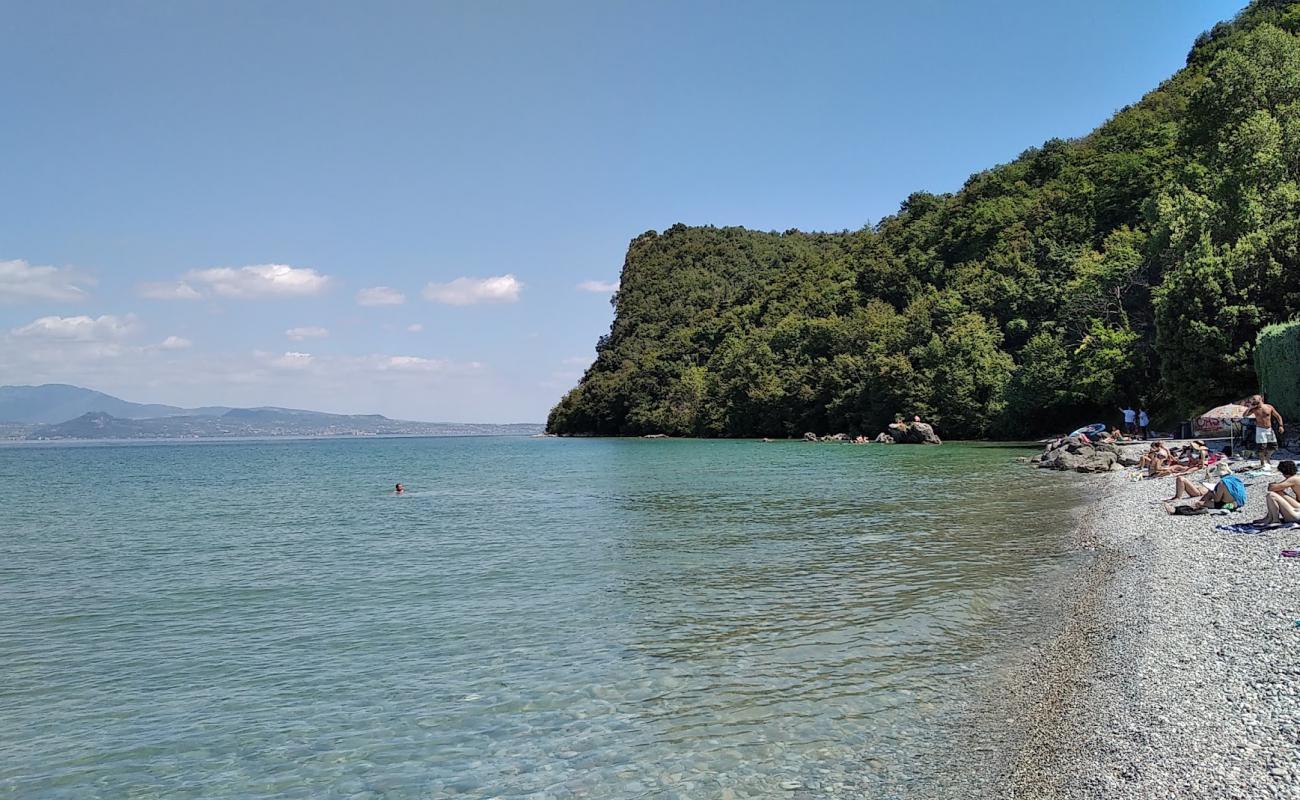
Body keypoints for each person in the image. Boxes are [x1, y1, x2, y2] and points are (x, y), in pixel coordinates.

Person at [1163, 461, 1246, 515]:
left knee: (1202, 503)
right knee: (1209, 494)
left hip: (1230, 505)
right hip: (1239, 503)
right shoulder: (1236, 479)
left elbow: (1217, 500)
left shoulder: (1222, 483)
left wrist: (1213, 493)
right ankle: (1196, 504)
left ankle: (1176, 510)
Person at [1252, 460, 1300, 525]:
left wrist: (1272, 485)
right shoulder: (1296, 478)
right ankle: (1269, 517)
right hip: (1298, 507)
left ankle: (1275, 520)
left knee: (1272, 495)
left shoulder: (1293, 479)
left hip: (1297, 514)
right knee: (1278, 492)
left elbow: (1272, 488)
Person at [1246, 394, 1285, 470]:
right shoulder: (1254, 409)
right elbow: (1245, 415)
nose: (1252, 400)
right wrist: (1250, 408)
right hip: (1260, 429)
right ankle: (1262, 463)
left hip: (1269, 429)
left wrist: (1281, 425)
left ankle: (1267, 458)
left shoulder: (1269, 407)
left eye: (1254, 399)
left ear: (1260, 399)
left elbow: (1278, 416)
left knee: (1274, 446)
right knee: (1261, 447)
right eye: (1252, 399)